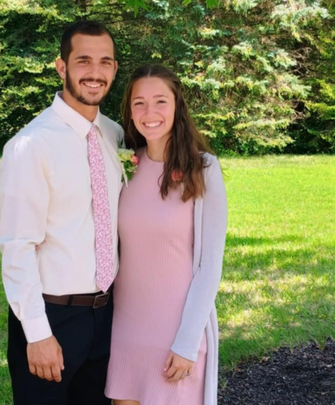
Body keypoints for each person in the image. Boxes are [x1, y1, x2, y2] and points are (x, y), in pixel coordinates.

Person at [0, 21, 123, 405]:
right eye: (83, 61)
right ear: (61, 66)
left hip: (108, 314)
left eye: (105, 62)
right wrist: (37, 333)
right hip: (53, 316)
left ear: (114, 69)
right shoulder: (31, 145)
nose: (95, 72)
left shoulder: (113, 134)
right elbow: (17, 245)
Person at [105, 65, 228, 405]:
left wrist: (187, 342)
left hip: (177, 333)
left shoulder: (204, 169)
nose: (150, 113)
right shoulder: (124, 165)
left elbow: (210, 266)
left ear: (177, 106)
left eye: (160, 101)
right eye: (139, 103)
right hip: (125, 328)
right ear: (130, 112)